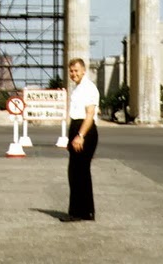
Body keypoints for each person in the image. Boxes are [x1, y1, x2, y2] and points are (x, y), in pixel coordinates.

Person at [62, 58, 99, 222]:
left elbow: (90, 115)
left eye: (76, 71)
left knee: (78, 172)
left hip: (85, 131)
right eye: (71, 71)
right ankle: (86, 211)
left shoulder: (88, 88)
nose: (73, 74)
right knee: (78, 172)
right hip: (77, 129)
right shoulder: (77, 88)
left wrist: (81, 136)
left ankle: (78, 212)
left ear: (84, 70)